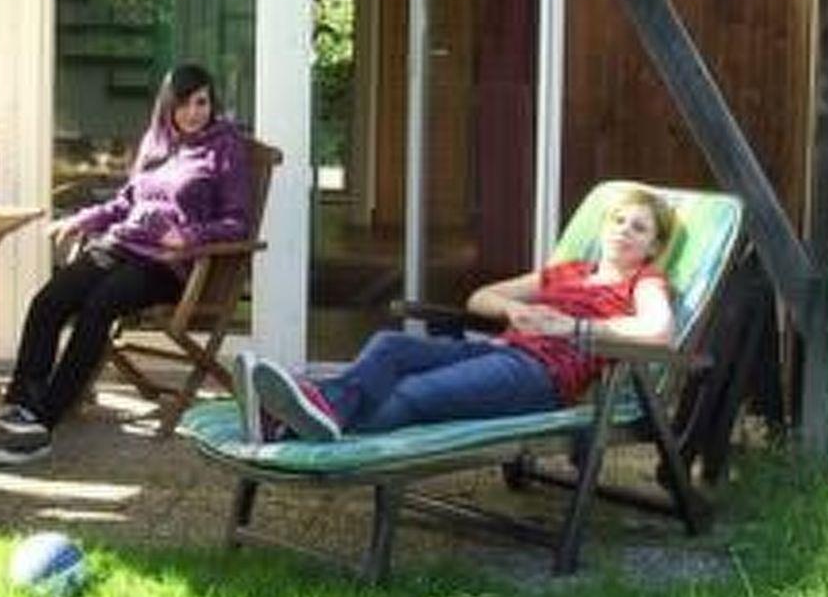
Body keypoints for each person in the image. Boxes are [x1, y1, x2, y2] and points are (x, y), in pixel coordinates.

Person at [0, 62, 253, 464]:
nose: (193, 112)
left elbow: (238, 222)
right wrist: (82, 220)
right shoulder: (157, 142)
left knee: (98, 307)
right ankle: (20, 408)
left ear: (212, 103)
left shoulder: (225, 146)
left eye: (201, 102)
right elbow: (125, 203)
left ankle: (41, 425)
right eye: (183, 103)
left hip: (167, 264)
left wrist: (189, 236)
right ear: (167, 106)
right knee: (50, 299)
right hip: (122, 244)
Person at [243, 187, 678, 439]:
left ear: (653, 247)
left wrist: (575, 326)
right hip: (501, 352)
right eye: (618, 221)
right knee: (389, 346)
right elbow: (481, 298)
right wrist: (514, 310)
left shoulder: (643, 281)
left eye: (639, 228)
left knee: (412, 393)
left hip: (541, 378)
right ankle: (309, 413)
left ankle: (290, 422)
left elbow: (658, 330)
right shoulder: (570, 272)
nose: (624, 231)